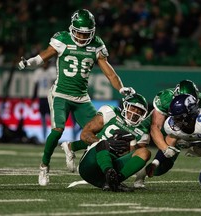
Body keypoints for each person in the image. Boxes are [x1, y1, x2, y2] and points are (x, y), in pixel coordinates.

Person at [18, 9, 135, 186]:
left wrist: (121, 89)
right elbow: (43, 56)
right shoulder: (62, 39)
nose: (81, 36)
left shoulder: (96, 45)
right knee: (57, 130)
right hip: (60, 94)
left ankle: (70, 147)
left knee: (100, 134)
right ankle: (44, 166)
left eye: (85, 33)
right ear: (72, 29)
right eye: (79, 32)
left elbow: (110, 73)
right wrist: (28, 62)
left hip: (81, 97)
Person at [134, 79, 201, 188]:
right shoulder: (165, 99)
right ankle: (121, 170)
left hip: (178, 126)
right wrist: (165, 148)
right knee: (138, 138)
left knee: (161, 168)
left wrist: (188, 140)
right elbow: (155, 127)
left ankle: (145, 171)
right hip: (158, 122)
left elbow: (197, 127)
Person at [78, 93, 151, 192]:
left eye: (139, 111)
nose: (135, 113)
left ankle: (113, 181)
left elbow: (132, 158)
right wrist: (105, 142)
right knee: (103, 144)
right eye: (133, 108)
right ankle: (109, 172)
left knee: (145, 152)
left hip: (115, 164)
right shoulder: (110, 112)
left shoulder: (142, 133)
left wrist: (133, 142)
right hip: (91, 165)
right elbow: (85, 134)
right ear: (125, 106)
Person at [32, 61, 56, 141]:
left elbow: (54, 84)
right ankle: (44, 137)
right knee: (43, 118)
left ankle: (53, 136)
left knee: (52, 118)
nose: (45, 64)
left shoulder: (52, 71)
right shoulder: (38, 72)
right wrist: (34, 96)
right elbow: (36, 85)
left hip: (49, 97)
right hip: (42, 97)